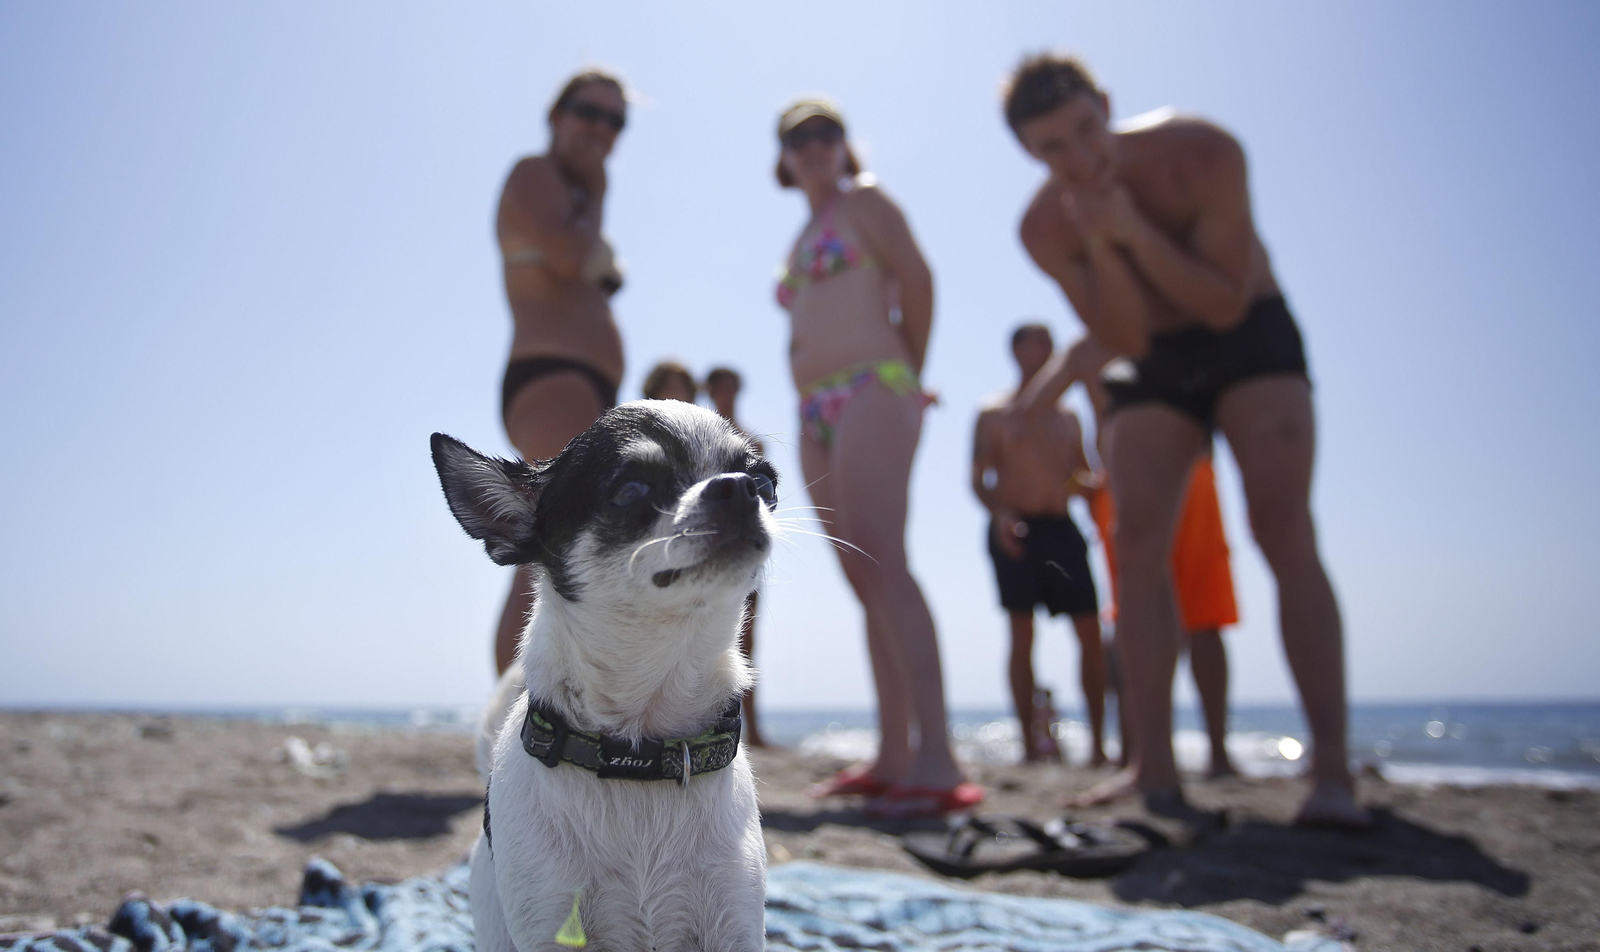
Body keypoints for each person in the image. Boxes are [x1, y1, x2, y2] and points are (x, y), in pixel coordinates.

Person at [1005, 54, 1368, 826]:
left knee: (1282, 529)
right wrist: (1104, 242)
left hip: (1247, 332)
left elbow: (1224, 300)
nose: (1078, 157)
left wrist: (1131, 225)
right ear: (1030, 157)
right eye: (1052, 150)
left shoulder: (1202, 152)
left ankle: (1332, 772)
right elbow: (1125, 333)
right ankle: (1154, 771)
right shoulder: (1042, 227)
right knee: (1134, 547)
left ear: (1106, 105)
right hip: (1154, 353)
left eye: (1083, 131)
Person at [774, 98, 978, 816]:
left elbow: (918, 280)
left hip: (875, 386)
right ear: (784, 156)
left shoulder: (867, 202)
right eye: (799, 137)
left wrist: (909, 374)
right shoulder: (804, 230)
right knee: (862, 575)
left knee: (885, 557)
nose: (815, 145)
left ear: (845, 145)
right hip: (815, 406)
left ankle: (939, 755)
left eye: (827, 132)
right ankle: (895, 752)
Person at [1027, 336, 1240, 778]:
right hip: (1144, 481)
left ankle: (1163, 753)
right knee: (1158, 615)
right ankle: (1149, 754)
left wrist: (1074, 478)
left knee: (1186, 616)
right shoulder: (1116, 339)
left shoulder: (1106, 341)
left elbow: (1029, 412)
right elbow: (1029, 412)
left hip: (1160, 480)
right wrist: (1075, 478)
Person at [491, 69, 629, 676]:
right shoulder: (533, 174)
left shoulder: (570, 196)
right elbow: (571, 258)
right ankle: (513, 724)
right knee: (548, 550)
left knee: (570, 550)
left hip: (582, 384)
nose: (602, 128)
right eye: (589, 111)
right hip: (552, 378)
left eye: (616, 120)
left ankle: (534, 714)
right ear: (556, 114)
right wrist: (599, 191)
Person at [971, 323, 1106, 767]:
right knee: (1021, 633)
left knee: (1090, 631)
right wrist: (1000, 514)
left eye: (1050, 345)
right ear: (1015, 351)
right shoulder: (994, 412)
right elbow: (979, 478)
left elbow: (1083, 476)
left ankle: (1101, 745)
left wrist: (1098, 485)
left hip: (1062, 528)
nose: (1045, 351)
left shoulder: (1068, 417)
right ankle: (1029, 745)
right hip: (1015, 529)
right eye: (1036, 343)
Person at [706, 366, 770, 748]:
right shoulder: (699, 435)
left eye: (732, 386)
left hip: (746, 552)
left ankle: (753, 730)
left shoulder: (751, 442)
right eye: (721, 386)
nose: (727, 392)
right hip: (707, 551)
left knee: (747, 640)